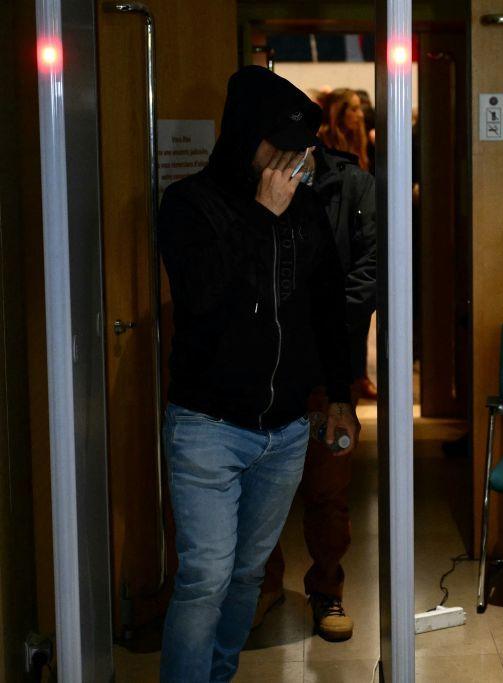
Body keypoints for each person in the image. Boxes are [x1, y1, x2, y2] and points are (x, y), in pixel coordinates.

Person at [157, 65, 359, 681]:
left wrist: (340, 394)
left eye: (302, 152)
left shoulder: (304, 209)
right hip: (207, 426)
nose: (295, 164)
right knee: (205, 577)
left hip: (286, 429)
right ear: (247, 138)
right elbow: (202, 298)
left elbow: (328, 304)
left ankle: (218, 675)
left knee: (247, 572)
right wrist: (262, 216)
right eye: (284, 150)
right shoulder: (189, 204)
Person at [255, 144, 376, 643]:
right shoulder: (254, 179)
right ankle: (265, 586)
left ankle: (327, 589)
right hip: (265, 366)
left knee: (327, 486)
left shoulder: (351, 185)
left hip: (329, 364)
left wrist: (314, 323)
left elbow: (370, 270)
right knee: (261, 488)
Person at [318, 87, 377, 401]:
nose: (359, 114)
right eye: (352, 109)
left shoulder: (364, 141)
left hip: (360, 222)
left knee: (360, 311)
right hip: (341, 231)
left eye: (360, 108)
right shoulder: (327, 143)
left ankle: (358, 376)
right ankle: (351, 378)